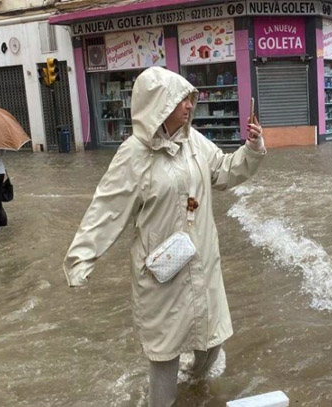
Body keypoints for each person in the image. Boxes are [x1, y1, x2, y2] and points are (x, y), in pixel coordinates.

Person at [62, 67, 265, 407]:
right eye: (180, 99)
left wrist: (253, 148)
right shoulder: (133, 155)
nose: (189, 105)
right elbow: (107, 209)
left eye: (189, 98)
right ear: (159, 104)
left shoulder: (194, 142)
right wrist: (81, 257)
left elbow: (224, 171)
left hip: (201, 260)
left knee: (212, 339)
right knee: (165, 352)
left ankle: (194, 388)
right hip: (162, 271)